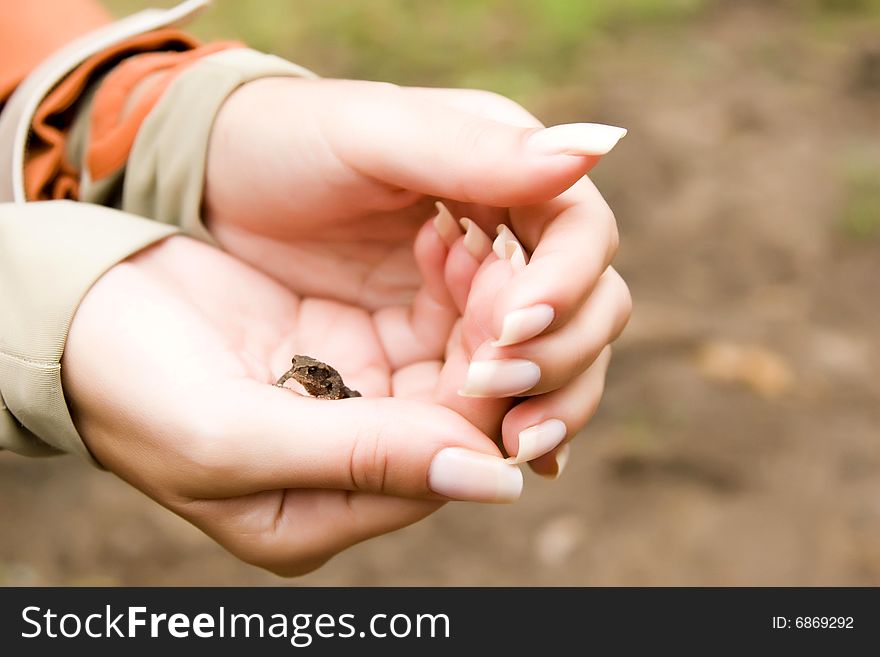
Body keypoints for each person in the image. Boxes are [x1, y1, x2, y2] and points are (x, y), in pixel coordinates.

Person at [0, 0, 631, 576]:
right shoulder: (305, 375)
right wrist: (35, 307)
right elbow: (300, 379)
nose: (300, 373)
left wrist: (164, 129)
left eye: (306, 373)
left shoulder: (329, 384)